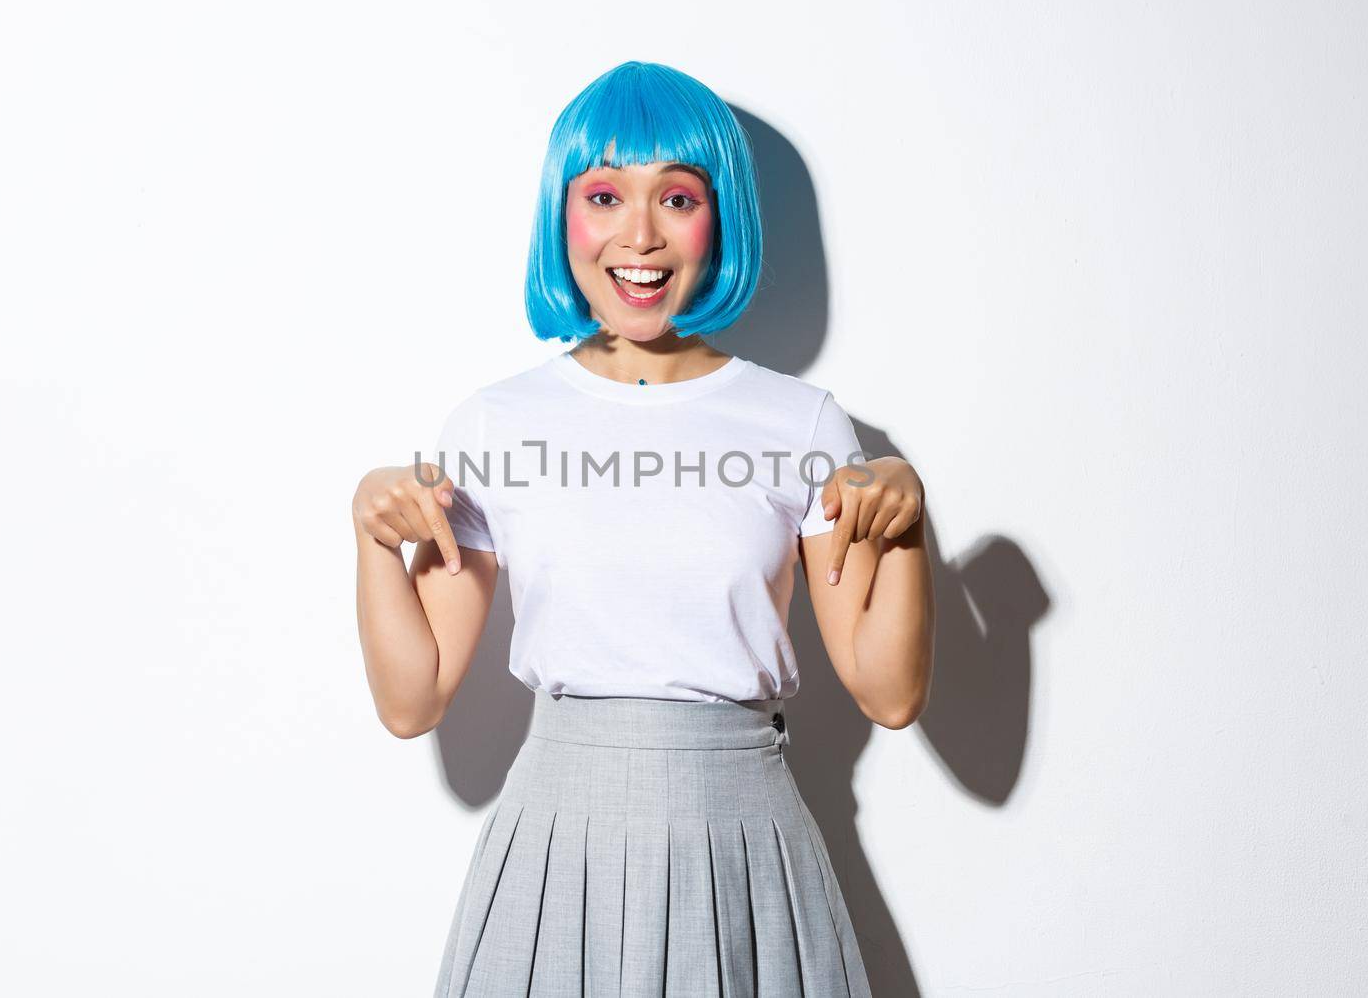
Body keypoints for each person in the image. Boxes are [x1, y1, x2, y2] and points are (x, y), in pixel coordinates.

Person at [351, 60, 935, 996]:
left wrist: (906, 519)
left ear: (721, 217)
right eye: (604, 194)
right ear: (563, 214)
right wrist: (371, 538)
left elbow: (888, 691)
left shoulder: (802, 423)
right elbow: (410, 701)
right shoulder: (497, 423)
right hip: (554, 841)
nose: (639, 235)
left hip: (744, 834)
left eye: (675, 197)